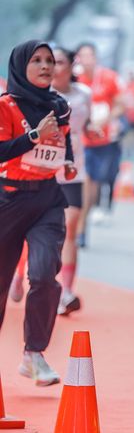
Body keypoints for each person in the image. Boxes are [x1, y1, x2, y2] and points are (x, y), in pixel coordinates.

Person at [0, 41, 77, 385]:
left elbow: (64, 139)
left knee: (45, 274)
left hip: (47, 198)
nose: (46, 66)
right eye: (37, 60)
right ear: (21, 66)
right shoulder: (5, 105)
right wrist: (33, 136)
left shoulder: (59, 106)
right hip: (9, 199)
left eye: (50, 60)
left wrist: (69, 161)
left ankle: (34, 354)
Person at [52, 47, 91, 314]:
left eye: (58, 62)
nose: (53, 67)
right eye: (49, 62)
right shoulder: (40, 94)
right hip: (43, 170)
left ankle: (65, 292)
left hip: (73, 170)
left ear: (70, 66)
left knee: (70, 228)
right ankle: (20, 275)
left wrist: (92, 129)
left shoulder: (84, 94)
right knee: (35, 231)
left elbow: (86, 123)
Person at [75, 43, 123, 246]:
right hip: (78, 139)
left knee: (92, 185)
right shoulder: (74, 78)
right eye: (82, 56)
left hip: (101, 140)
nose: (86, 59)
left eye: (89, 55)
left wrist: (106, 119)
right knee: (83, 183)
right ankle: (77, 228)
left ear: (95, 58)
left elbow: (120, 105)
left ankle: (82, 226)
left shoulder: (109, 78)